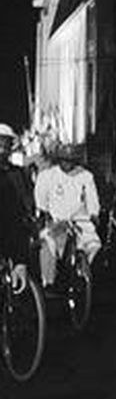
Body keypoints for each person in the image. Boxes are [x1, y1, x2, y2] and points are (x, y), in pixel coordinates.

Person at [33, 144, 102, 288]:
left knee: (94, 245)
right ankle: (48, 281)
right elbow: (41, 202)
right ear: (58, 160)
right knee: (48, 244)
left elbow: (92, 201)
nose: (68, 164)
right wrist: (45, 216)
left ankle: (82, 272)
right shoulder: (47, 176)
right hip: (56, 222)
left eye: (71, 161)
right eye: (64, 160)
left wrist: (94, 214)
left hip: (80, 222)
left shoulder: (85, 176)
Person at [0, 123, 33, 292]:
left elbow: (20, 213)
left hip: (11, 232)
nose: (1, 149)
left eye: (4, 144)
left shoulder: (16, 174)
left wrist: (20, 261)